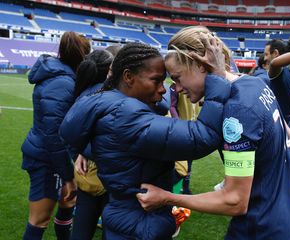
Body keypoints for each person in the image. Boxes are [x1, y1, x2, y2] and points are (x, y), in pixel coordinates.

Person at [136, 26, 290, 240]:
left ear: (200, 65)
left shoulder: (236, 110)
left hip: (262, 228)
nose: (177, 88)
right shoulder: (256, 83)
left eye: (178, 78)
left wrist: (167, 197)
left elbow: (235, 200)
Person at [59, 41, 231, 239]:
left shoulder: (113, 103)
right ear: (128, 77)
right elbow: (202, 136)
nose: (163, 89)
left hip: (130, 218)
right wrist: (218, 78)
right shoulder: (125, 117)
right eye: (156, 81)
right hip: (138, 226)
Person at [21, 31, 90, 240]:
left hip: (52, 156)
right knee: (39, 219)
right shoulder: (61, 83)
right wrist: (68, 176)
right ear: (81, 56)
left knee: (67, 204)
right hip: (46, 158)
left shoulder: (64, 77)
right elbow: (54, 135)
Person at [71, 49, 114, 240]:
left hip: (87, 177)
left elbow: (74, 137)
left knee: (81, 229)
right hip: (109, 179)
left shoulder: (81, 95)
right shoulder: (113, 98)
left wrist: (83, 151)